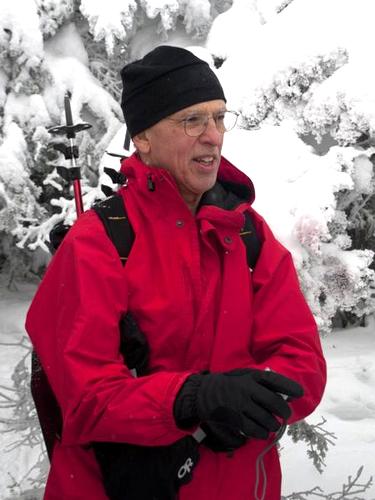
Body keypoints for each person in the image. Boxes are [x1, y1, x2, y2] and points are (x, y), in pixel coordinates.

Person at [26, 45, 326, 500]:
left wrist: (248, 402)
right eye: (193, 121)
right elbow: (86, 401)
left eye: (220, 117)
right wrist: (193, 400)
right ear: (143, 137)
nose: (214, 136)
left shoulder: (247, 234)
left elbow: (303, 362)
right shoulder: (98, 242)